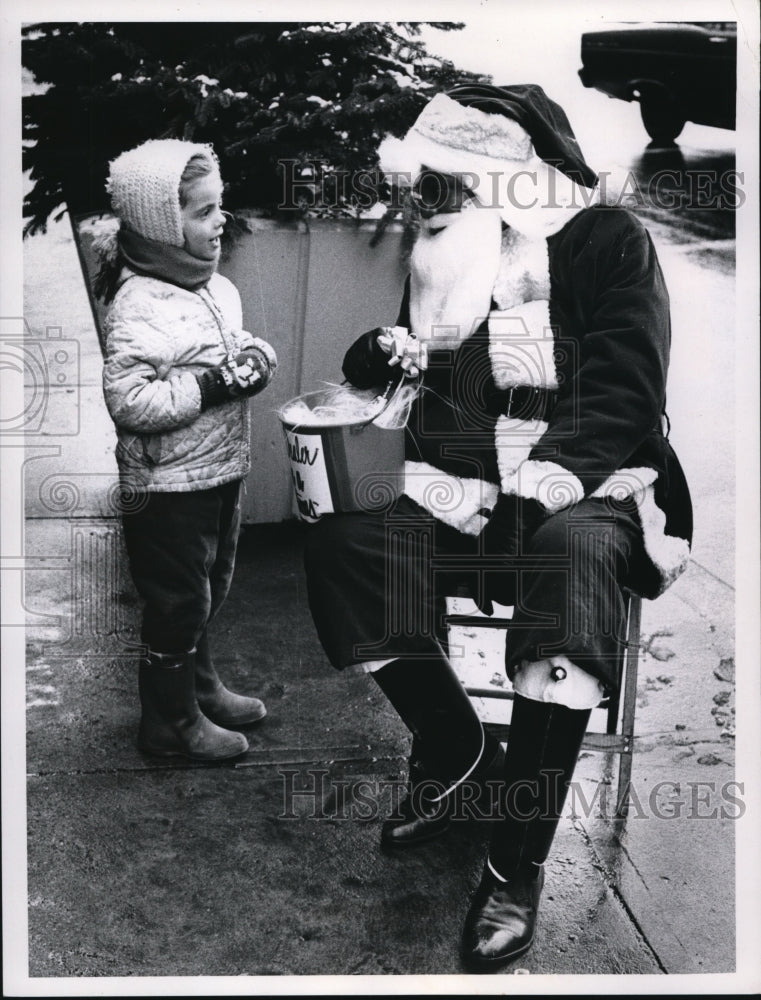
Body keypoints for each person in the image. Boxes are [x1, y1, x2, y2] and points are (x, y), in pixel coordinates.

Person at [303, 84, 693, 969]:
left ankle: (513, 862)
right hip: (467, 487)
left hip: (595, 484)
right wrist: (379, 360)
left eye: (443, 185)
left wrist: (544, 484)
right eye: (425, 186)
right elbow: (418, 389)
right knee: (349, 543)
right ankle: (455, 742)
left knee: (572, 562)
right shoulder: (450, 253)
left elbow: (626, 389)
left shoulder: (606, 241)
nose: (423, 204)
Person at [95, 139, 278, 762]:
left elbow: (236, 343)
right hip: (168, 487)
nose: (219, 220)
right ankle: (169, 721)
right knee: (177, 603)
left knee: (211, 587)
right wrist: (208, 385)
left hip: (219, 472)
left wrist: (256, 358)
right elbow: (130, 400)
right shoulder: (138, 302)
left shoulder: (212, 287)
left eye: (218, 206)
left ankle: (199, 689)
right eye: (202, 213)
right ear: (160, 227)